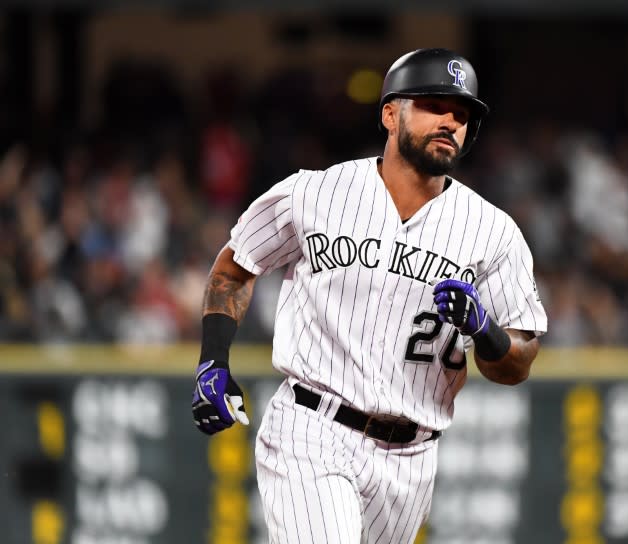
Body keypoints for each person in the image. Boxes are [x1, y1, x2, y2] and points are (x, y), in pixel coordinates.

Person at [191, 48, 548, 543]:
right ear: (389, 113)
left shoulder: (493, 233)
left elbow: (519, 362)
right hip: (312, 428)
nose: (450, 121)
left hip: (412, 459)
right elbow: (235, 266)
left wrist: (484, 330)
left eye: (462, 114)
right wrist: (213, 360)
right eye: (433, 105)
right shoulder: (315, 193)